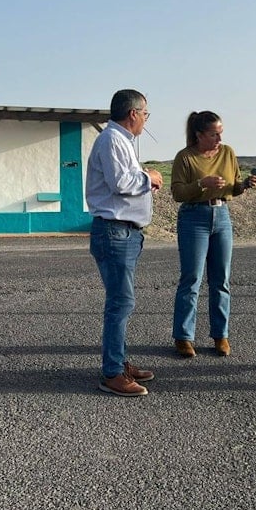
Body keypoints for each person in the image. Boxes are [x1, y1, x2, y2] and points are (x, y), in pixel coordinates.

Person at [86, 89, 163, 397]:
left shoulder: (121, 141)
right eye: (145, 114)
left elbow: (124, 181)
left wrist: (146, 179)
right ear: (134, 113)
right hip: (115, 232)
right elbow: (121, 183)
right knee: (120, 302)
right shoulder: (113, 140)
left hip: (125, 232)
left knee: (122, 302)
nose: (146, 120)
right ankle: (112, 374)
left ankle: (118, 362)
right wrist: (150, 177)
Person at [170, 111, 256, 358]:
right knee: (192, 279)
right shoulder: (185, 157)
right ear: (199, 135)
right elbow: (177, 193)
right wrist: (202, 184)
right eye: (214, 134)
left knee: (221, 280)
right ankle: (183, 337)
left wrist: (245, 185)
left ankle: (221, 335)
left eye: (221, 133)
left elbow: (234, 187)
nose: (219, 138)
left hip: (221, 217)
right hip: (193, 218)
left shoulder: (228, 153)